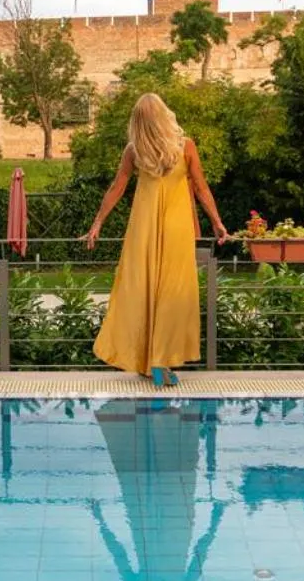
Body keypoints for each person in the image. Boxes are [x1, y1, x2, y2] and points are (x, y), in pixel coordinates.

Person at [84, 93, 230, 385]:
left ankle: (150, 360)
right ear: (165, 115)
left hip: (144, 229)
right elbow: (201, 188)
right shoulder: (184, 147)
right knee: (172, 292)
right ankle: (158, 362)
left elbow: (116, 188)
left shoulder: (134, 151)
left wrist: (97, 223)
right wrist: (217, 222)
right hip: (177, 229)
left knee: (143, 289)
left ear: (137, 122)